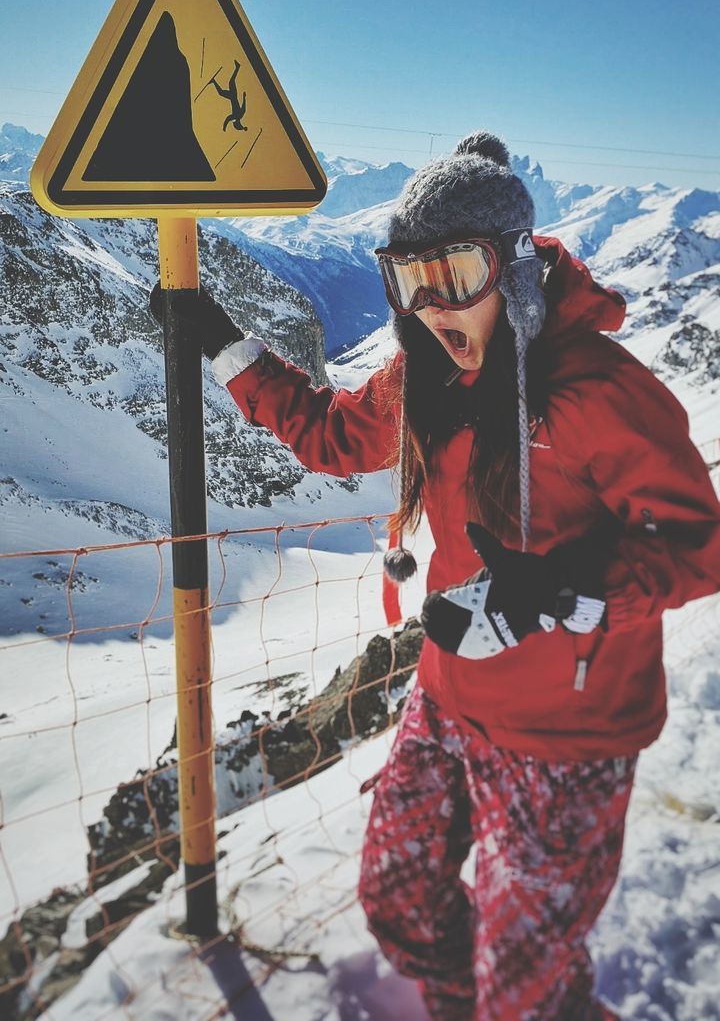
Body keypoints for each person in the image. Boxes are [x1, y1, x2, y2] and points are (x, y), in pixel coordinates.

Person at [150, 132, 720, 1020]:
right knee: (400, 903)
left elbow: (699, 542)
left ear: (516, 270)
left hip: (567, 739)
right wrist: (223, 345)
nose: (427, 306)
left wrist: (568, 587)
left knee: (523, 990)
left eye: (455, 273)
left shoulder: (596, 394)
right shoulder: (424, 376)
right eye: (407, 281)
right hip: (451, 698)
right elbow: (332, 437)